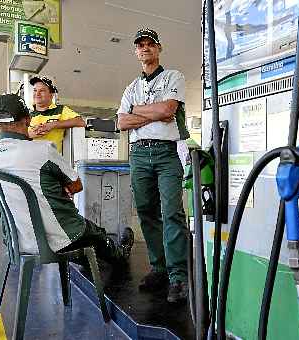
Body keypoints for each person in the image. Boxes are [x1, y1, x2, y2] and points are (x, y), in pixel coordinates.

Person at [0, 94, 132, 264]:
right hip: (59, 240)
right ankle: (119, 255)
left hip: (17, 240)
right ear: (28, 119)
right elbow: (76, 186)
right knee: (94, 233)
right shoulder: (42, 150)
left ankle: (92, 258)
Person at [117, 28, 190, 303]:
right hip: (138, 154)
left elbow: (168, 110)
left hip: (166, 154)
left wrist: (136, 111)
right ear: (136, 52)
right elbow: (122, 123)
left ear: (158, 48)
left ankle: (178, 277)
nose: (145, 49)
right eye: (140, 45)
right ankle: (159, 268)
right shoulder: (130, 88)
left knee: (172, 212)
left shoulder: (174, 77)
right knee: (147, 212)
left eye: (150, 44)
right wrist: (149, 114)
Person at [28, 76, 85, 154]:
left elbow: (80, 122)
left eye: (42, 91)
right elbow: (15, 138)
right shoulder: (27, 115)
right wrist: (30, 134)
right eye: (35, 90)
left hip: (51, 161)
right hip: (31, 161)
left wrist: (52, 125)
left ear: (51, 95)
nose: (37, 94)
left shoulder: (61, 110)